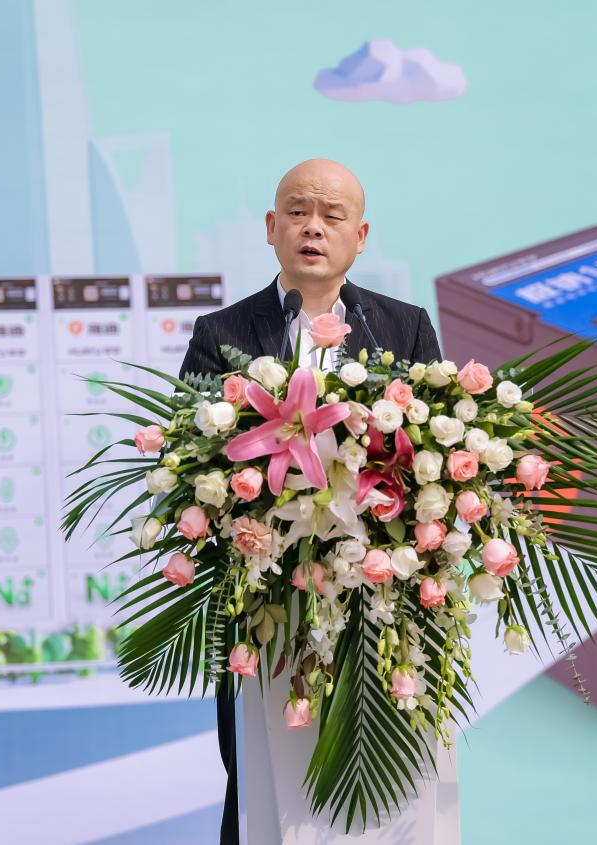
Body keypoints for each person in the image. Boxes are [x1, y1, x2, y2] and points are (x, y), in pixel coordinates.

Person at [178, 159, 442, 844]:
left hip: (379, 603)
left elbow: (431, 468)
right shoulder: (221, 332)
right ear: (272, 227)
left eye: (331, 214)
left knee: (385, 789)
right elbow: (186, 463)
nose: (313, 227)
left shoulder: (404, 328)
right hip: (263, 604)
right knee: (257, 786)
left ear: (361, 235)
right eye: (298, 212)